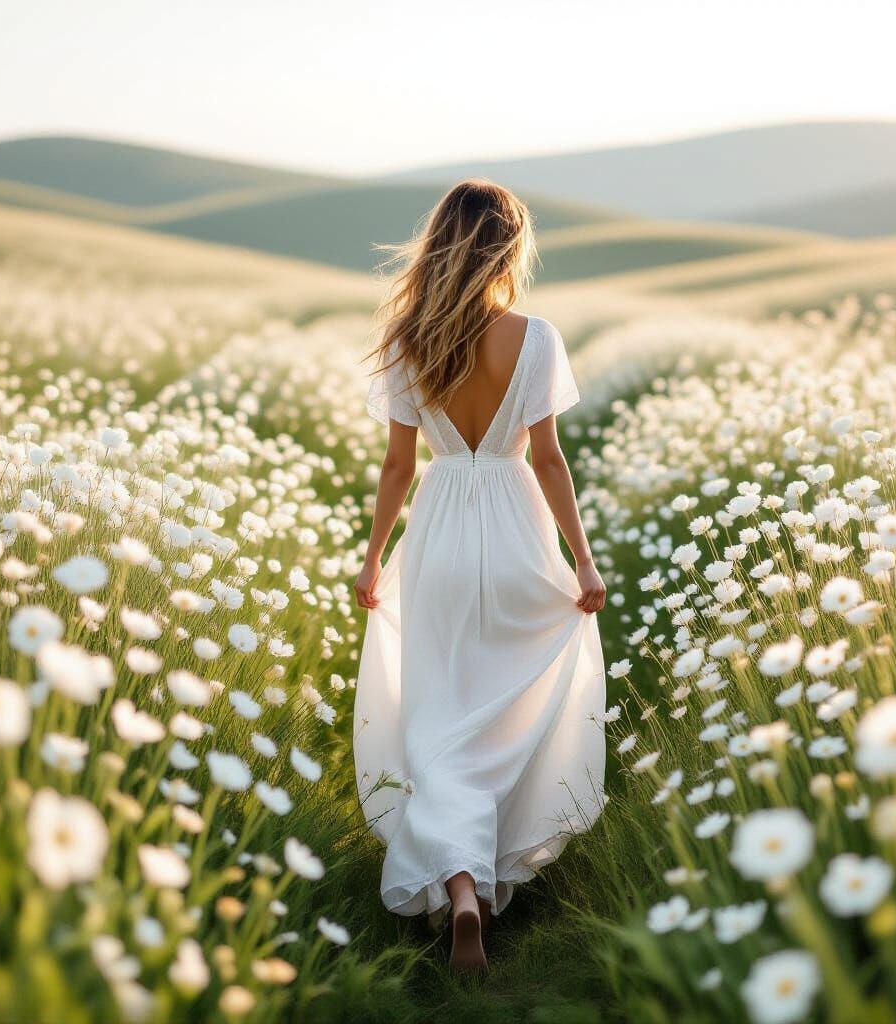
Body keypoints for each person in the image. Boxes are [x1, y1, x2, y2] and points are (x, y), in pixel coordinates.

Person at [353, 180, 607, 973]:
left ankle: (462, 887)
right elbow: (549, 459)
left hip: (438, 531)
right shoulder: (534, 337)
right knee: (505, 703)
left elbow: (398, 468)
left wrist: (370, 562)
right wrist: (584, 558)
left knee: (438, 719)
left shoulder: (405, 339)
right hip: (514, 524)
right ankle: (492, 865)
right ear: (508, 246)